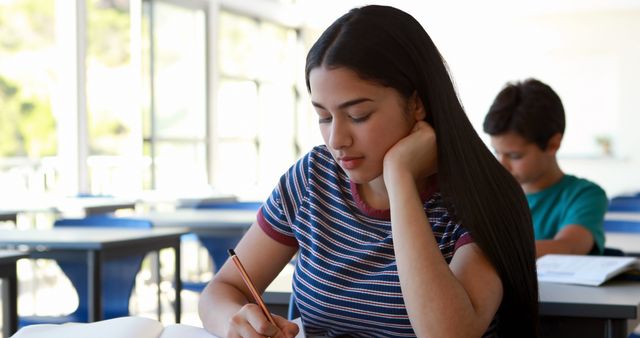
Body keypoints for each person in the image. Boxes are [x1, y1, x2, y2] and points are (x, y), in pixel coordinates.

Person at [199, 5, 538, 338]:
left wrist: (400, 176)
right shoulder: (312, 178)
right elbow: (223, 289)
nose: (337, 140)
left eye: (359, 115)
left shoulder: (481, 196)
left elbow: (447, 333)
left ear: (417, 103)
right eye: (324, 116)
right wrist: (234, 320)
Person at [483, 78, 608, 258]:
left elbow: (569, 247)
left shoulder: (584, 194)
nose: (501, 165)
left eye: (515, 156)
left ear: (553, 144)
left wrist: (483, 256)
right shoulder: (489, 196)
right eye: (496, 152)